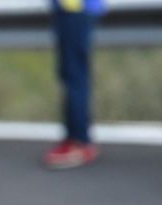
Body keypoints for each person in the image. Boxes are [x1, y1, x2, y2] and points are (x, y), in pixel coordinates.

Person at [43, 0, 106, 169]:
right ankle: (75, 138)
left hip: (74, 7)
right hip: (72, 8)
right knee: (71, 74)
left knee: (74, 75)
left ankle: (79, 141)